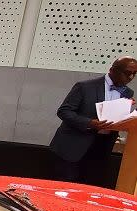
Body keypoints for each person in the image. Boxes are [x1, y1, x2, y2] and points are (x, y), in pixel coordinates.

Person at [50, 56, 137, 185]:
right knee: (64, 187)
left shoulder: (127, 93)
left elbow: (116, 117)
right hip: (74, 146)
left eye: (134, 74)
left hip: (102, 148)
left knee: (90, 188)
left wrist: (127, 117)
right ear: (112, 70)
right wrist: (90, 123)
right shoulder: (85, 87)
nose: (130, 78)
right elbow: (64, 111)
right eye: (127, 73)